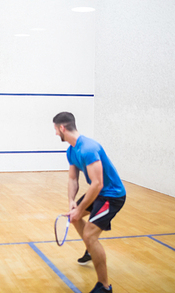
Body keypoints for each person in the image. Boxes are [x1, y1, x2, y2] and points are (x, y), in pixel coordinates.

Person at [53, 112, 126, 293]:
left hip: (112, 196)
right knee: (75, 218)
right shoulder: (71, 149)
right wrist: (72, 202)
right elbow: (73, 179)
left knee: (90, 235)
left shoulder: (88, 148)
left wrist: (81, 208)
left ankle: (104, 286)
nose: (55, 134)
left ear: (62, 128)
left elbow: (98, 183)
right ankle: (91, 250)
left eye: (55, 129)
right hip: (99, 193)